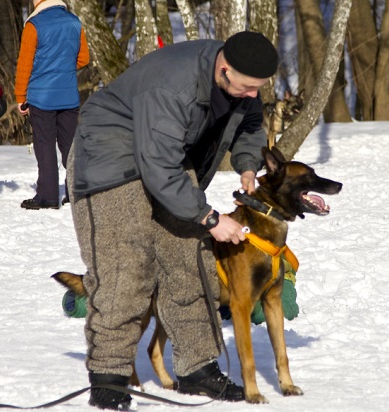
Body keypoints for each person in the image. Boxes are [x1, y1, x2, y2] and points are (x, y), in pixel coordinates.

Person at [67, 31, 278, 410]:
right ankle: (110, 378)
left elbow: (249, 126)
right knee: (125, 266)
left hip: (165, 157)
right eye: (247, 88)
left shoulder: (243, 81)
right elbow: (158, 166)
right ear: (224, 69)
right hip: (109, 157)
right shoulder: (173, 85)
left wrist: (247, 165)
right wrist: (210, 218)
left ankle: (197, 368)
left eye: (257, 90)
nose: (252, 96)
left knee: (188, 258)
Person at [15, 0, 89, 210]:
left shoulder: (34, 25)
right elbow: (84, 58)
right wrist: (63, 67)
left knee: (45, 145)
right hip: (69, 95)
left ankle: (47, 197)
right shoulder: (74, 22)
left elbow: (24, 64)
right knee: (71, 146)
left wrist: (21, 96)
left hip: (41, 97)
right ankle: (77, 193)